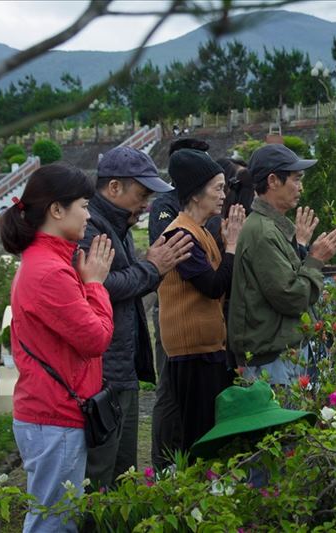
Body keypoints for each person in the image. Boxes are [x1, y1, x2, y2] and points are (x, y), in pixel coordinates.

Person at [0, 164, 114, 532]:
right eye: (83, 204)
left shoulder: (48, 262)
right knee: (54, 523)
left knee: (54, 516)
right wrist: (95, 284)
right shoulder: (49, 271)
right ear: (57, 210)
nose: (88, 214)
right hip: (54, 415)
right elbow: (96, 339)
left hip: (50, 410)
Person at [81, 146, 193, 489]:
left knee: (124, 474)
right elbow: (101, 284)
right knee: (100, 478)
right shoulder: (90, 228)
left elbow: (125, 281)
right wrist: (151, 267)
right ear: (114, 187)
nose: (146, 205)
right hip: (103, 376)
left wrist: (150, 267)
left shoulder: (119, 225)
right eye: (141, 194)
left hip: (122, 370)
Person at [228, 144, 336, 385]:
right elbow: (291, 296)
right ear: (273, 181)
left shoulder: (270, 227)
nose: (301, 187)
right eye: (296, 179)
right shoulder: (262, 232)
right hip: (271, 362)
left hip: (280, 355)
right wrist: (315, 259)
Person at [158, 148, 245, 452]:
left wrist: (224, 243)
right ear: (196, 194)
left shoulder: (201, 231)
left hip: (208, 350)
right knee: (200, 441)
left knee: (214, 434)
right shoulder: (179, 234)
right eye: (218, 188)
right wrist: (232, 245)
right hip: (192, 355)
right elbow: (212, 285)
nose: (224, 195)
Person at [149, 138, 209, 468]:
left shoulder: (199, 205)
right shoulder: (167, 206)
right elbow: (180, 251)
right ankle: (162, 461)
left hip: (202, 312)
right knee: (170, 389)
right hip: (175, 308)